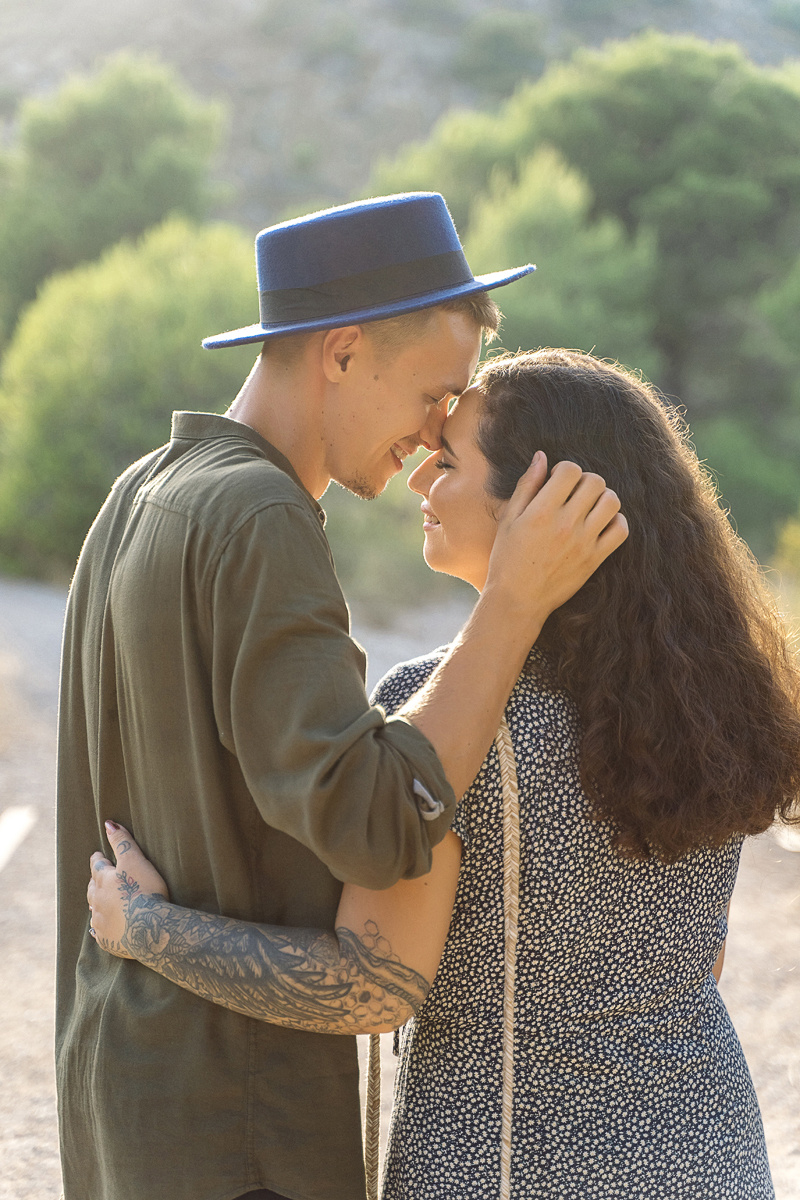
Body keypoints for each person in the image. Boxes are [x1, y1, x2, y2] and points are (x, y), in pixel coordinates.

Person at [89, 350, 800, 1200]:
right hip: (710, 1152)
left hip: (503, 1159)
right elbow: (701, 959)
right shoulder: (714, 695)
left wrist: (147, 929)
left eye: (451, 460)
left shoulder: (451, 718)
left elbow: (366, 987)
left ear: (538, 506)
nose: (421, 479)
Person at [59, 193, 627, 1200]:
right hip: (240, 1126)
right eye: (430, 395)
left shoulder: (141, 491)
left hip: (129, 1089)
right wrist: (511, 604)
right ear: (342, 352)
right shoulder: (259, 512)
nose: (430, 436)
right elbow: (372, 825)